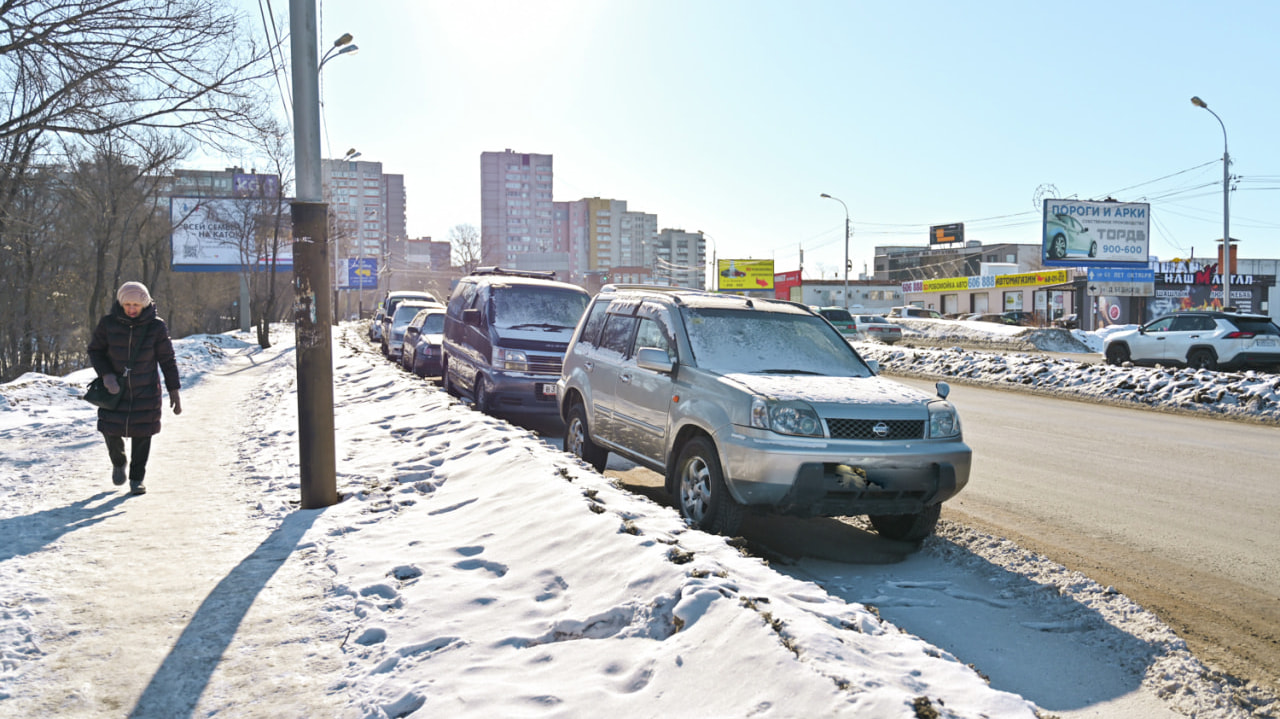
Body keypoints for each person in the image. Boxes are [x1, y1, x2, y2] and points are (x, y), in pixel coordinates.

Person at [87, 282, 182, 495]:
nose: (131, 309)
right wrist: (107, 375)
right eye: (127, 304)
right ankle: (118, 461)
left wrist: (174, 389)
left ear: (144, 304)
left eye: (136, 305)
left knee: (142, 435)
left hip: (145, 390)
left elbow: (167, 359)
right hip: (114, 390)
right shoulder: (108, 324)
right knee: (110, 430)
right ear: (121, 303)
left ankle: (137, 479)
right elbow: (95, 351)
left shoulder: (156, 327)